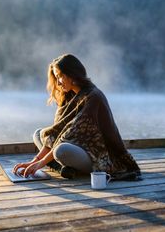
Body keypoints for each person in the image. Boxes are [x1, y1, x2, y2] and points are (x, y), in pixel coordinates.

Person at [13, 53, 141, 180]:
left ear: (71, 75)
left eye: (60, 77)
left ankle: (60, 166)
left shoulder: (93, 97)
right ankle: (64, 168)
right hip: (78, 147)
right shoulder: (69, 96)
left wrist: (40, 164)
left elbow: (66, 137)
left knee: (61, 150)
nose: (58, 83)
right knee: (39, 134)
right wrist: (33, 162)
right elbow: (56, 134)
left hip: (100, 155)